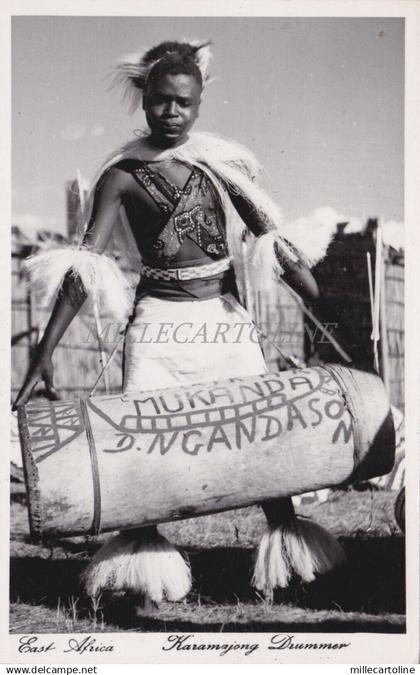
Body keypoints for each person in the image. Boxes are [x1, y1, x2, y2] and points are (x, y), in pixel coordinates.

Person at [14, 40, 347, 606]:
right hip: (156, 327)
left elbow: (273, 245)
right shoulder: (121, 176)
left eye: (184, 103)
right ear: (145, 99)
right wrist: (44, 350)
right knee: (140, 444)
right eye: (161, 101)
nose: (172, 113)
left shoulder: (223, 165)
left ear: (199, 105)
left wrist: (327, 312)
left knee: (261, 431)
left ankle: (290, 553)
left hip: (223, 322)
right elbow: (86, 269)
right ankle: (139, 571)